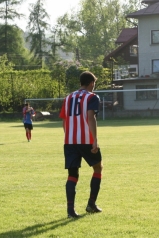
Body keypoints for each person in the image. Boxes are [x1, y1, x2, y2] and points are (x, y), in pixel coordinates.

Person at [59, 71, 103, 218]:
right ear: (91, 83)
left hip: (70, 141)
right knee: (98, 167)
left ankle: (70, 211)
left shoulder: (68, 98)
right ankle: (91, 204)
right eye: (94, 84)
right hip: (86, 140)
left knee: (72, 174)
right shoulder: (92, 97)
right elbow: (91, 118)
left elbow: (64, 121)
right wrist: (95, 139)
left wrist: (68, 137)